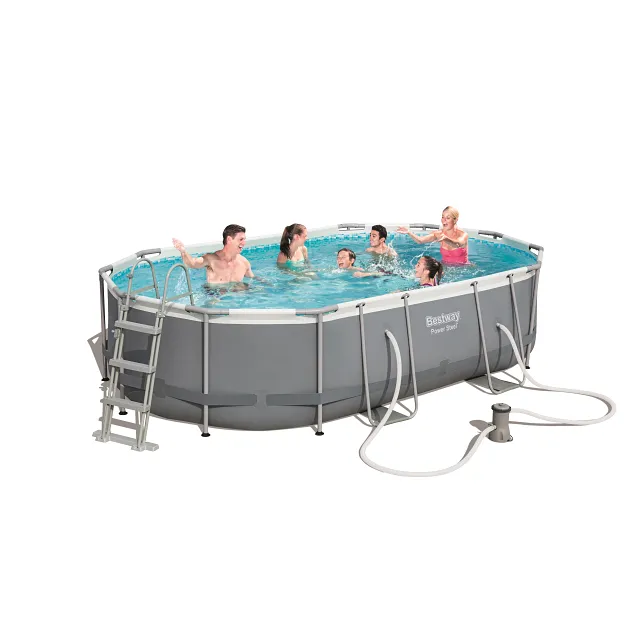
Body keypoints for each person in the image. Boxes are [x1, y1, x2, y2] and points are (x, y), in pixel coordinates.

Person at [172, 224, 254, 284]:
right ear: (229, 239)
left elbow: (253, 279)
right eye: (241, 239)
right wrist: (183, 251)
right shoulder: (211, 260)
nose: (244, 243)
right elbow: (192, 263)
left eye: (244, 239)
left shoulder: (244, 262)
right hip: (214, 296)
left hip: (236, 298)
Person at [397, 206, 469, 265]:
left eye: (448, 218)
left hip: (463, 269)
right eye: (442, 217)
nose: (444, 220)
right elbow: (420, 241)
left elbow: (457, 244)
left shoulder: (463, 235)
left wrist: (446, 239)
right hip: (445, 268)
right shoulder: (439, 234)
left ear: (455, 220)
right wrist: (409, 232)